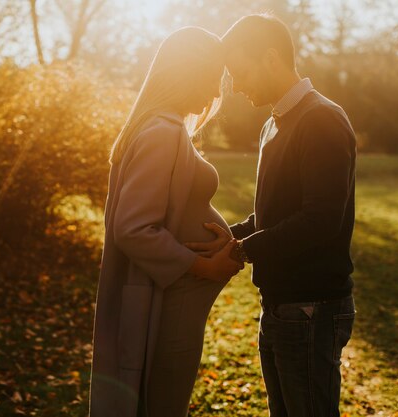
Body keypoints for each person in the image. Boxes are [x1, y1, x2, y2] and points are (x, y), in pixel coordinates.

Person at [187, 14, 357, 417]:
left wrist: (243, 250)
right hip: (281, 304)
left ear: (270, 58)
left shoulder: (321, 119)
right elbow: (277, 211)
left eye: (240, 71)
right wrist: (230, 234)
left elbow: (319, 219)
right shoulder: (274, 123)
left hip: (311, 307)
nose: (236, 85)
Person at [89, 27, 243, 417]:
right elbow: (133, 227)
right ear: (186, 73)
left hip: (179, 305)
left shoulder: (164, 128)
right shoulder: (161, 132)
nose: (213, 94)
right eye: (210, 80)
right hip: (169, 307)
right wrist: (201, 264)